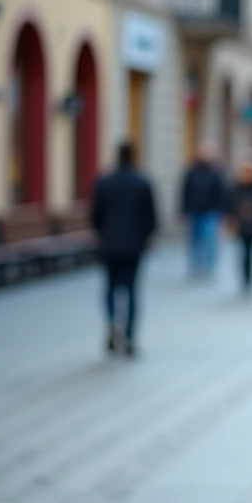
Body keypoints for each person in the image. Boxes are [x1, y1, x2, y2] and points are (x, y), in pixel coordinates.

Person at [90, 141, 157, 357]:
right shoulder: (142, 182)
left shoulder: (104, 182)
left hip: (109, 245)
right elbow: (151, 218)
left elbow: (95, 215)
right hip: (133, 246)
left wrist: (103, 234)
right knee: (131, 291)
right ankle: (128, 337)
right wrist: (146, 238)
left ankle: (112, 323)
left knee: (110, 288)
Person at [180, 141, 226, 278]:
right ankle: (195, 266)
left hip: (210, 211)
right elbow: (185, 191)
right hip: (195, 210)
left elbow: (221, 193)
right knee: (194, 240)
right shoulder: (192, 171)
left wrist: (221, 211)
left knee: (209, 240)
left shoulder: (215, 172)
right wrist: (184, 210)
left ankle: (208, 267)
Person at [227, 157, 252, 294]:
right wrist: (230, 222)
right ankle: (245, 278)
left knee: (251, 252)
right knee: (244, 253)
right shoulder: (236, 188)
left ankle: (250, 278)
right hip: (241, 225)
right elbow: (230, 205)